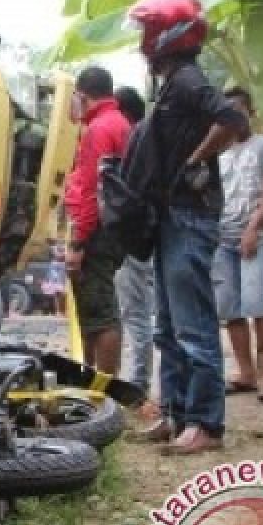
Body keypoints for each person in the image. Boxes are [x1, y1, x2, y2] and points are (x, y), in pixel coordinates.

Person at [127, 0, 250, 455]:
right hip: (170, 214)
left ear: (168, 35)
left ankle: (206, 424)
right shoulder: (173, 82)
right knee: (168, 325)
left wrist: (198, 159)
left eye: (147, 30)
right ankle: (177, 414)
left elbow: (233, 119)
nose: (142, 39)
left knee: (194, 325)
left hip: (189, 213)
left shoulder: (189, 80)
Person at [213, 88, 263, 404]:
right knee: (229, 308)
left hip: (253, 235)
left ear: (250, 112)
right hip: (222, 235)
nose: (235, 116)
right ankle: (246, 373)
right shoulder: (219, 152)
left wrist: (253, 228)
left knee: (258, 304)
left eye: (239, 109)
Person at [63, 66, 131, 375]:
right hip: (113, 227)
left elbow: (92, 189)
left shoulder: (99, 129)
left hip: (96, 230)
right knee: (94, 307)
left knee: (99, 310)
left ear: (82, 95)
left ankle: (105, 387)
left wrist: (78, 241)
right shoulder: (119, 124)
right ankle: (94, 378)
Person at [113, 87, 157, 407]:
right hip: (151, 237)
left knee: (136, 314)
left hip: (135, 239)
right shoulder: (148, 137)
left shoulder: (132, 140)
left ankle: (138, 385)